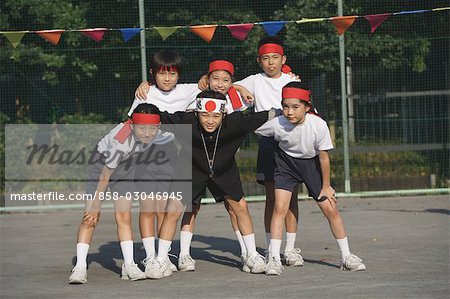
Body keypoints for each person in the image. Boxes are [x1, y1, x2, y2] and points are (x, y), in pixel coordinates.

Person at [133, 58, 253, 266]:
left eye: (225, 80)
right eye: (214, 78)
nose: (220, 83)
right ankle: (180, 255)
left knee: (234, 206)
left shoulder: (237, 98)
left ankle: (248, 253)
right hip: (193, 160)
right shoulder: (196, 93)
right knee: (187, 208)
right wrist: (146, 84)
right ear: (206, 80)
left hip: (223, 162)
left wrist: (239, 87)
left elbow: (250, 113)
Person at [154, 90, 277, 275]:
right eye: (204, 115)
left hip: (224, 171)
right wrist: (140, 113)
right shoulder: (186, 121)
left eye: (215, 116)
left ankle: (251, 255)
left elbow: (261, 116)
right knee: (173, 210)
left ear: (223, 114)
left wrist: (283, 111)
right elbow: (158, 116)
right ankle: (161, 259)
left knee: (241, 207)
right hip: (190, 169)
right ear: (196, 113)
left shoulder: (235, 122)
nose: (210, 120)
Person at [255, 82, 366, 275]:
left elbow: (323, 157)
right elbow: (258, 131)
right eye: (285, 106)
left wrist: (326, 186)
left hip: (311, 165)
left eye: (295, 107)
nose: (289, 112)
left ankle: (346, 256)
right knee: (279, 207)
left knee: (330, 208)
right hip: (285, 165)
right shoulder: (276, 123)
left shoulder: (318, 125)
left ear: (307, 107)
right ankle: (273, 257)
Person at [69, 103, 178, 283]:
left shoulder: (159, 134)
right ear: (132, 125)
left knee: (124, 216)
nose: (147, 133)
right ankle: (80, 267)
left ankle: (129, 265)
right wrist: (96, 205)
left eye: (152, 128)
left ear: (158, 127)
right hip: (101, 170)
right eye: (141, 128)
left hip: (126, 170)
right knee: (89, 217)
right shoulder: (120, 141)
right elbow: (105, 176)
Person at [232, 36, 303, 266]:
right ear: (259, 61)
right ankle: (269, 248)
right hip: (268, 144)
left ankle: (290, 250)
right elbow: (223, 85)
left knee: (291, 198)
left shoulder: (292, 81)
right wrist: (241, 88)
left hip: (293, 144)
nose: (271, 62)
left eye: (275, 58)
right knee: (271, 198)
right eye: (265, 58)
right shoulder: (254, 80)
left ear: (283, 59)